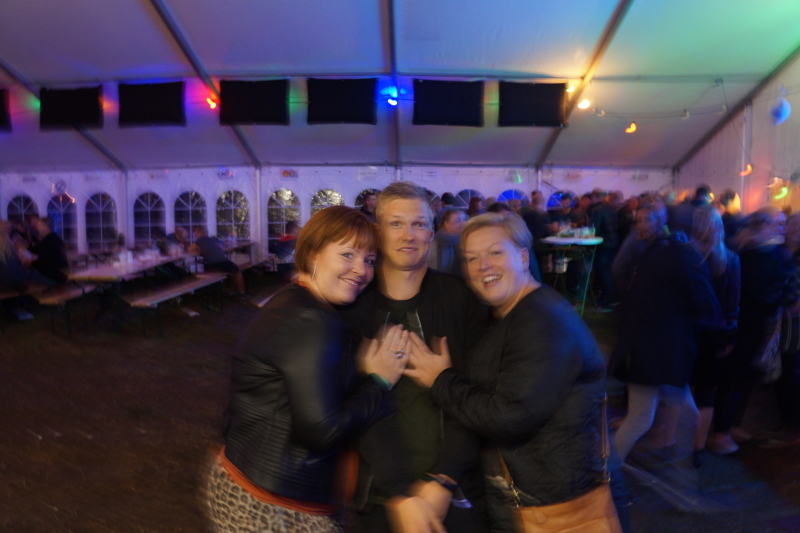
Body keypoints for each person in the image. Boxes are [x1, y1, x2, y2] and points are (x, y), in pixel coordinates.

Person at [404, 212, 628, 533]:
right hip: (534, 499)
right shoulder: (512, 314)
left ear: (523, 257)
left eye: (495, 252)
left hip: (560, 506)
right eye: (472, 258)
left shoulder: (543, 322)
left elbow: (510, 418)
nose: (483, 265)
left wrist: (441, 380)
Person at [205, 206, 407, 533]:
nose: (361, 270)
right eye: (348, 254)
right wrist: (380, 380)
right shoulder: (313, 320)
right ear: (313, 254)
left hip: (248, 480)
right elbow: (322, 432)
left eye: (370, 260)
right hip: (275, 506)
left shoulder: (294, 300)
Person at [339, 182, 489, 533]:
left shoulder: (462, 299)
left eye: (419, 224)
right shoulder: (354, 306)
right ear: (378, 231)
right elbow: (353, 405)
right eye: (396, 223)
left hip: (455, 487)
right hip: (382, 493)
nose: (408, 235)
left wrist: (445, 478)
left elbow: (479, 393)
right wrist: (400, 492)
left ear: (432, 232)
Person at [612, 220, 722, 464]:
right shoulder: (688, 259)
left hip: (652, 353)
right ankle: (608, 472)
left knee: (649, 418)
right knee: (643, 419)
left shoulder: (662, 252)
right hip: (660, 356)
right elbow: (710, 309)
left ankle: (613, 470)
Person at [710, 208, 799, 454]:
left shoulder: (768, 251)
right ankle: (721, 433)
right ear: (763, 224)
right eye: (779, 223)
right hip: (746, 325)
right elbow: (760, 294)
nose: (784, 229)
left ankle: (731, 426)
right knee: (735, 376)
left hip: (759, 324)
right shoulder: (754, 253)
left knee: (746, 377)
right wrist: (782, 300)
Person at [690, 206, 741, 460]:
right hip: (715, 333)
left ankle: (677, 439)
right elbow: (732, 303)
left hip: (688, 331)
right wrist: (729, 336)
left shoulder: (687, 256)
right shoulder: (729, 259)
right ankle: (697, 448)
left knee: (684, 388)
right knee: (706, 392)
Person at [190, 227, 246, 296]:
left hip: (215, 264)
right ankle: (239, 292)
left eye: (196, 233)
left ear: (200, 232)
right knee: (235, 271)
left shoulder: (201, 239)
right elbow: (221, 247)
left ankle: (240, 293)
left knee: (235, 271)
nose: (195, 235)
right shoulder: (213, 239)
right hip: (221, 262)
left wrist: (201, 251)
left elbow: (190, 250)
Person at [590, 191, 620, 310]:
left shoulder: (597, 210)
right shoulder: (611, 209)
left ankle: (609, 300)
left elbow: (594, 230)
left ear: (594, 197)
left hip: (603, 244)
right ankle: (608, 297)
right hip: (613, 243)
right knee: (607, 272)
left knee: (603, 272)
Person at [28, 217, 68, 286]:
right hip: (60, 275)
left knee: (25, 277)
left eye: (39, 225)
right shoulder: (54, 239)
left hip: (53, 278)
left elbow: (43, 263)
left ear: (46, 227)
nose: (37, 227)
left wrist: (30, 263)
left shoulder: (49, 241)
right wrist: (28, 247)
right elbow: (38, 250)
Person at [428, 208, 467, 276]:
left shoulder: (464, 241)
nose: (463, 223)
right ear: (446, 223)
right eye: (458, 221)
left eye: (464, 219)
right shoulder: (434, 244)